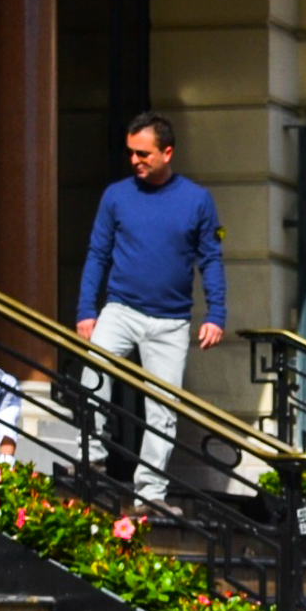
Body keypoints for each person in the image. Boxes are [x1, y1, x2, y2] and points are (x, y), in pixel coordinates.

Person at [75, 111, 226, 509]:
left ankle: (150, 495)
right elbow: (97, 254)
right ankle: (91, 458)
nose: (135, 160)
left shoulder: (197, 201)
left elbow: (211, 258)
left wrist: (216, 314)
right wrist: (86, 310)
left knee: (163, 410)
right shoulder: (116, 196)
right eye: (131, 153)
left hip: (171, 322)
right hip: (120, 309)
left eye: (143, 153)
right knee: (93, 376)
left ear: (167, 152)